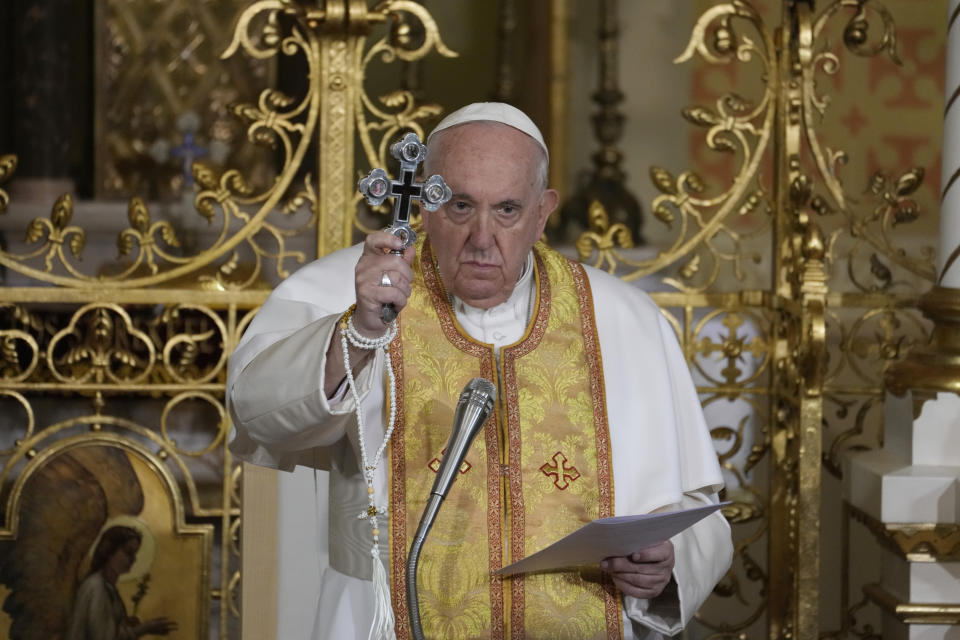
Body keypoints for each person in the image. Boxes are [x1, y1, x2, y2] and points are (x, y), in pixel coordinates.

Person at [228, 102, 732, 639]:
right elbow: (258, 412)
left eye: (508, 210)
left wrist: (668, 562)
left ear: (543, 212)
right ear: (424, 204)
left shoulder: (624, 321)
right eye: (461, 206)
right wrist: (360, 335)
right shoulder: (350, 291)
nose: (483, 238)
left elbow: (699, 510)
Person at [64, 526, 177, 640]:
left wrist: (125, 623)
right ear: (109, 551)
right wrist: (144, 628)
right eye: (129, 552)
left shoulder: (107, 587)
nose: (134, 559)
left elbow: (106, 625)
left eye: (135, 553)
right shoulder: (96, 587)